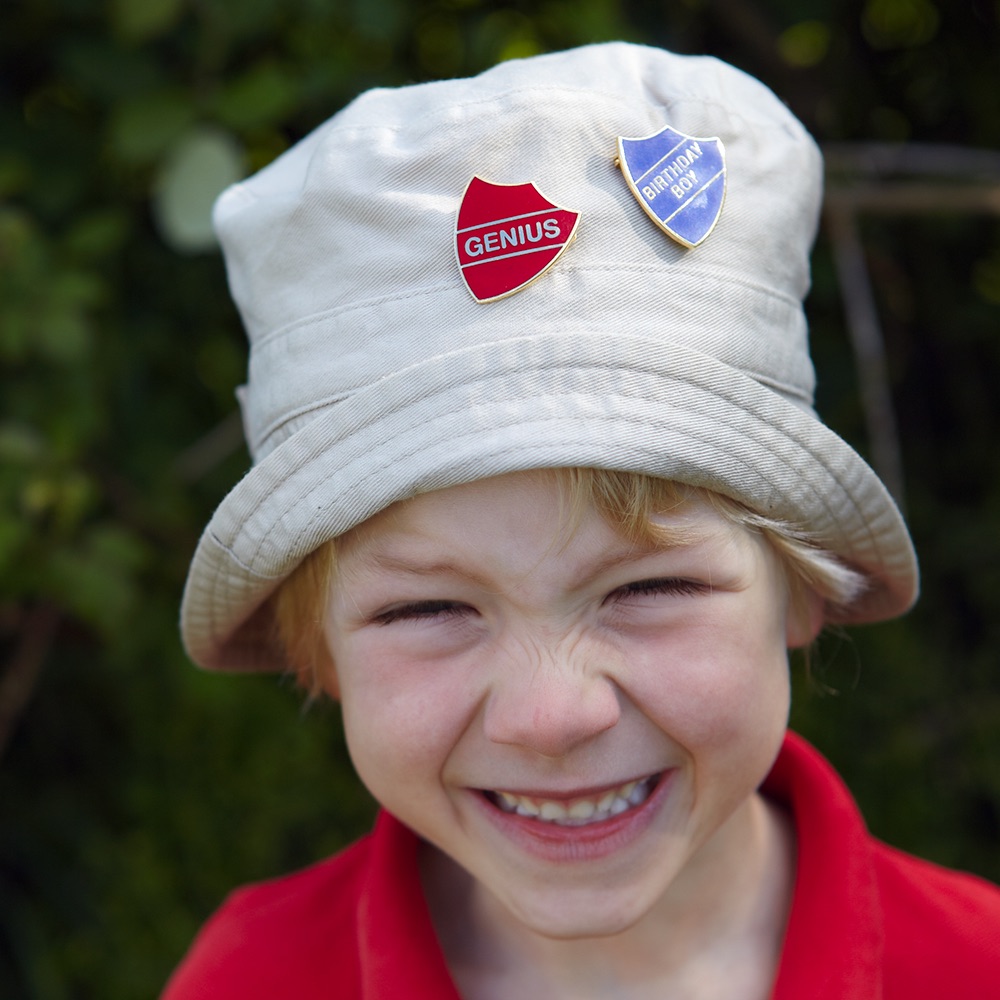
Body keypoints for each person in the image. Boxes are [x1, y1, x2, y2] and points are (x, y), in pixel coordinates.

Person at [163, 42, 1000, 999]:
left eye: (649, 587)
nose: (551, 718)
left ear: (805, 589)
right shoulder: (252, 979)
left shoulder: (977, 969)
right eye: (428, 610)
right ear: (319, 650)